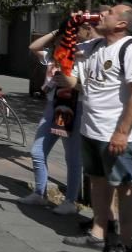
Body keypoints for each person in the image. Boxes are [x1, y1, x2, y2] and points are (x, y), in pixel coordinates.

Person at [58, 3, 132, 252]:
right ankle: (98, 233)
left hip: (117, 133)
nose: (102, 13)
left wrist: (122, 132)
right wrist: (70, 27)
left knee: (124, 186)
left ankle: (125, 244)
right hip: (91, 129)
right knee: (97, 181)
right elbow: (70, 75)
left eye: (109, 12)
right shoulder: (93, 48)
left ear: (122, 24)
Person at [19, 18, 97, 214]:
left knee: (73, 158)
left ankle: (71, 201)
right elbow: (34, 46)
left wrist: (72, 83)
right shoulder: (55, 56)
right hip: (53, 107)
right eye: (63, 37)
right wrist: (56, 31)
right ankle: (40, 193)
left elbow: (92, 87)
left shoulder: (84, 55)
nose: (64, 40)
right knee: (37, 151)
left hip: (76, 107)